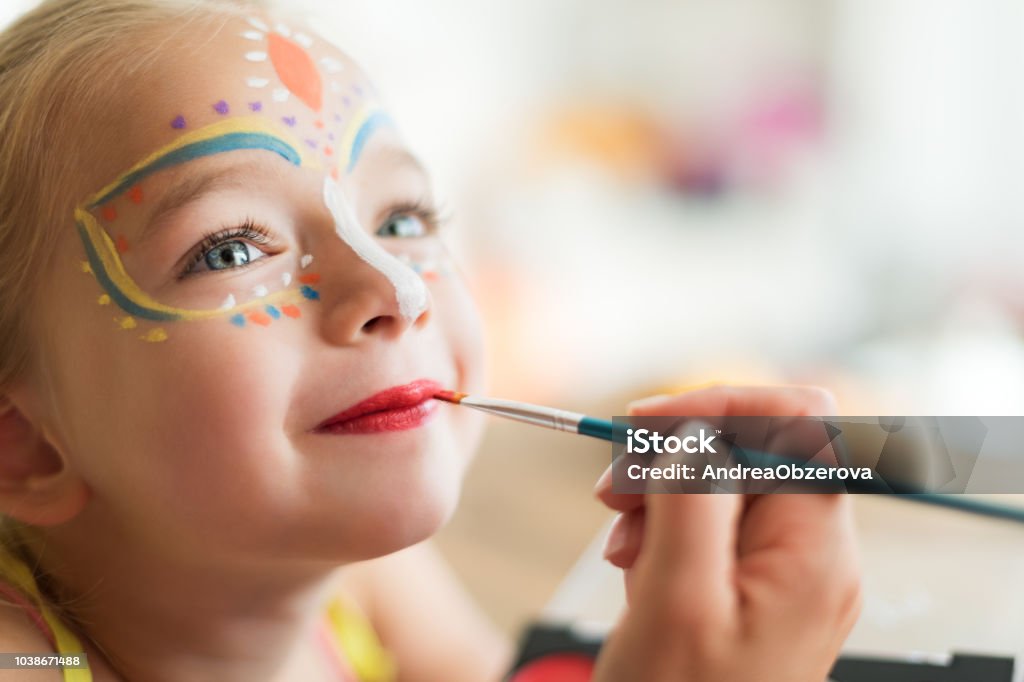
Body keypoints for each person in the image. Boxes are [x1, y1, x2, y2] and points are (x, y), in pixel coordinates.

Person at [0, 1, 861, 679]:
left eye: (402, 218)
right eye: (230, 248)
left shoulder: (351, 570)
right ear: (24, 444)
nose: (397, 289)